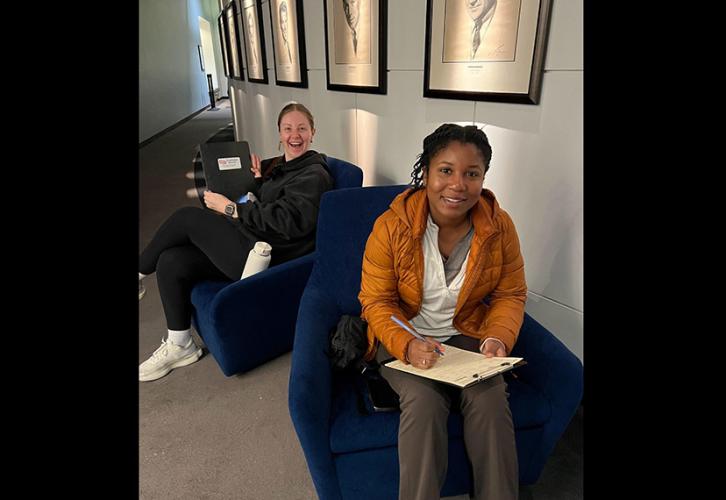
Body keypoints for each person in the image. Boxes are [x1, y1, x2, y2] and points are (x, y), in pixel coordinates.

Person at [358, 123, 526, 500]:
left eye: (472, 174)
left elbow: (510, 293)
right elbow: (376, 301)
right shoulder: (391, 227)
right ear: (426, 173)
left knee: (490, 396)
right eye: (446, 171)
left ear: (483, 178)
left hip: (465, 334)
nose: (458, 185)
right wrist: (406, 344)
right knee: (422, 399)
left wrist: (498, 337)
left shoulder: (499, 228)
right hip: (404, 334)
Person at [138, 103, 332, 382]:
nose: (295, 135)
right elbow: (273, 203)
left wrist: (231, 209)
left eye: (302, 128)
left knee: (187, 218)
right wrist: (256, 184)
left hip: (267, 257)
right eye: (288, 128)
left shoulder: (314, 174)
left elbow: (288, 222)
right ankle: (180, 344)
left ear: (313, 132)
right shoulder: (285, 166)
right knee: (173, 260)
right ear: (279, 132)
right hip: (252, 241)